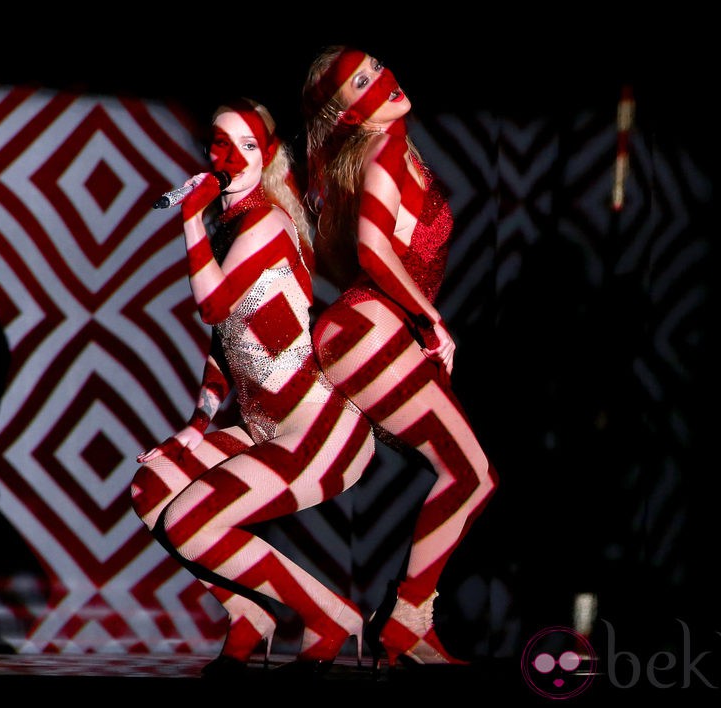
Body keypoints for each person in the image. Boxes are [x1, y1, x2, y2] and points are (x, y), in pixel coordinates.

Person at [130, 97, 375, 678]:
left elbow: (212, 304)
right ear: (208, 152)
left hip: (322, 429)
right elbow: (223, 351)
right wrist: (191, 434)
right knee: (152, 487)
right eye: (222, 144)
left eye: (247, 147)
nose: (232, 157)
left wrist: (189, 218)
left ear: (264, 157)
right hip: (264, 428)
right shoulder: (231, 230)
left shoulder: (266, 222)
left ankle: (331, 618)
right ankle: (248, 617)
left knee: (191, 520)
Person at [301, 46, 499, 668]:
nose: (382, 79)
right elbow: (373, 250)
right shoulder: (384, 149)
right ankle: (406, 621)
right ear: (353, 115)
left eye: (377, 65)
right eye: (360, 82)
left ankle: (364, 617)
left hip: (363, 334)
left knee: (460, 475)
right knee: (470, 475)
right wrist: (431, 317)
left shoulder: (395, 148)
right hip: (371, 331)